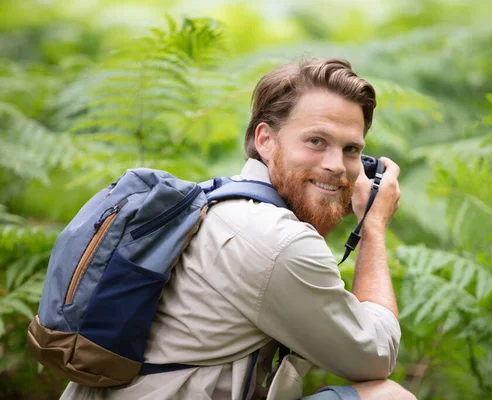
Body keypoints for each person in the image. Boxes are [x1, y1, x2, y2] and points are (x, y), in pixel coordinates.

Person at [60, 58, 416, 400]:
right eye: (316, 141)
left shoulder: (217, 199)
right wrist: (372, 227)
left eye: (351, 149)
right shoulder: (277, 241)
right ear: (265, 140)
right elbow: (376, 354)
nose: (337, 166)